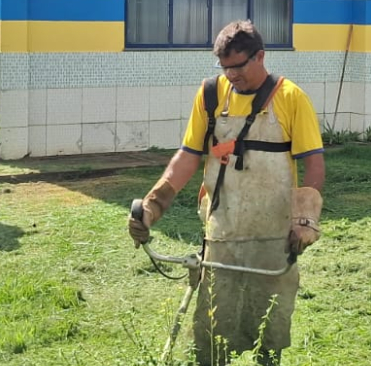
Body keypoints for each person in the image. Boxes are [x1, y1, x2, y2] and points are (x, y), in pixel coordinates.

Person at [129, 20, 325, 366]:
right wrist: (153, 204)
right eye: (224, 68)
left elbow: (314, 164)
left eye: (238, 67)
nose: (231, 75)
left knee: (270, 326)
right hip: (223, 233)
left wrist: (305, 219)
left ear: (260, 56)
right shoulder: (210, 95)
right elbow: (188, 157)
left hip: (274, 235)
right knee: (213, 328)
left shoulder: (291, 98)